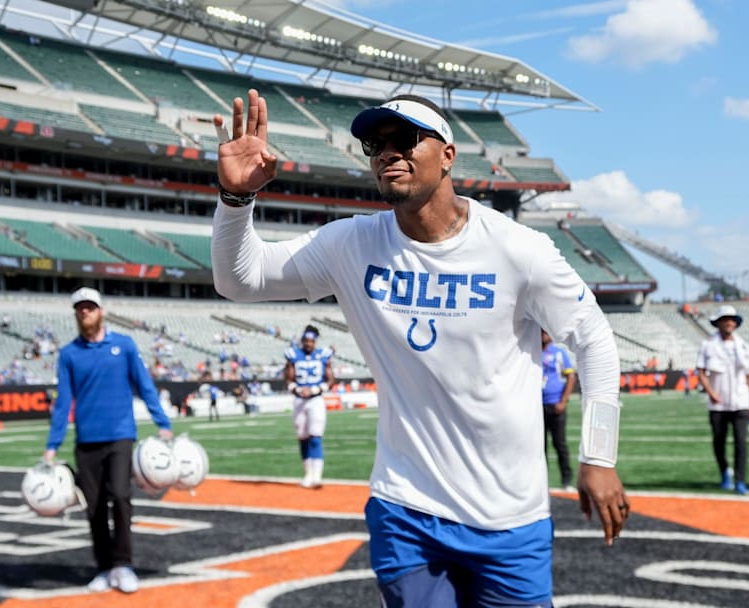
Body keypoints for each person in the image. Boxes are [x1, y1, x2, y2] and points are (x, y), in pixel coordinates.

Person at [210, 90, 626, 606]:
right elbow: (241, 280)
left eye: (404, 138)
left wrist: (599, 456)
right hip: (406, 507)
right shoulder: (351, 245)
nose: (387, 153)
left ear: (448, 154)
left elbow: (594, 339)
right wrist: (235, 201)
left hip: (510, 515)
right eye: (374, 144)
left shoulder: (518, 249)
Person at [42, 287, 173, 594]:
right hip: (87, 440)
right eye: (79, 308)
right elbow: (63, 403)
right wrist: (52, 446)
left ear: (101, 311)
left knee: (121, 495)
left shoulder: (124, 346)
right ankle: (103, 567)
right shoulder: (69, 354)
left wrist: (163, 423)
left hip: (120, 435)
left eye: (89, 307)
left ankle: (123, 565)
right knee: (95, 507)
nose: (84, 312)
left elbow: (145, 385)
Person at [696, 305, 749, 496]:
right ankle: (724, 472)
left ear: (735, 323)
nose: (729, 322)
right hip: (718, 403)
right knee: (719, 442)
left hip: (741, 401)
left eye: (732, 319)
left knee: (741, 443)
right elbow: (701, 372)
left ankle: (740, 481)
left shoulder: (744, 345)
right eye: (725, 319)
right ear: (719, 322)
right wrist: (711, 392)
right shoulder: (708, 345)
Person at [284, 324, 335, 488]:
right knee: (303, 437)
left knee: (315, 436)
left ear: (315, 341)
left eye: (311, 341)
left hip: (316, 400)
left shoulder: (323, 355)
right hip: (299, 400)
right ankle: (308, 474)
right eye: (306, 340)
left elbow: (331, 380)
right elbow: (288, 379)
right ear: (302, 340)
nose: (308, 344)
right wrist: (297, 389)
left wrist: (315, 389)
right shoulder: (293, 355)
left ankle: (317, 476)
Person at [541, 329, 577, 492]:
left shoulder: (559, 352)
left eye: (546, 331)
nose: (543, 334)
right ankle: (541, 483)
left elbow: (570, 376)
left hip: (555, 405)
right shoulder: (530, 352)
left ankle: (566, 480)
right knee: (539, 448)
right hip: (535, 407)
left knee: (560, 444)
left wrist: (563, 401)